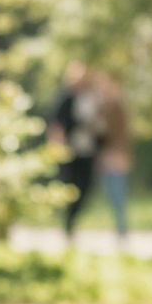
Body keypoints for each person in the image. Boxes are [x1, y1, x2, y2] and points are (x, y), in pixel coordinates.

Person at [48, 62, 103, 241]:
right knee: (70, 187)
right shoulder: (67, 98)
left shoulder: (93, 98)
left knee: (86, 187)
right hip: (70, 151)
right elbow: (58, 124)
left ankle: (72, 220)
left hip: (88, 149)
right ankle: (68, 224)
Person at [92, 71, 133, 244]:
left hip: (116, 158)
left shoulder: (117, 108)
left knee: (118, 195)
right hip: (106, 157)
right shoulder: (101, 109)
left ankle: (121, 230)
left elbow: (122, 136)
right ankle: (118, 230)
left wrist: (122, 155)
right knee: (110, 195)